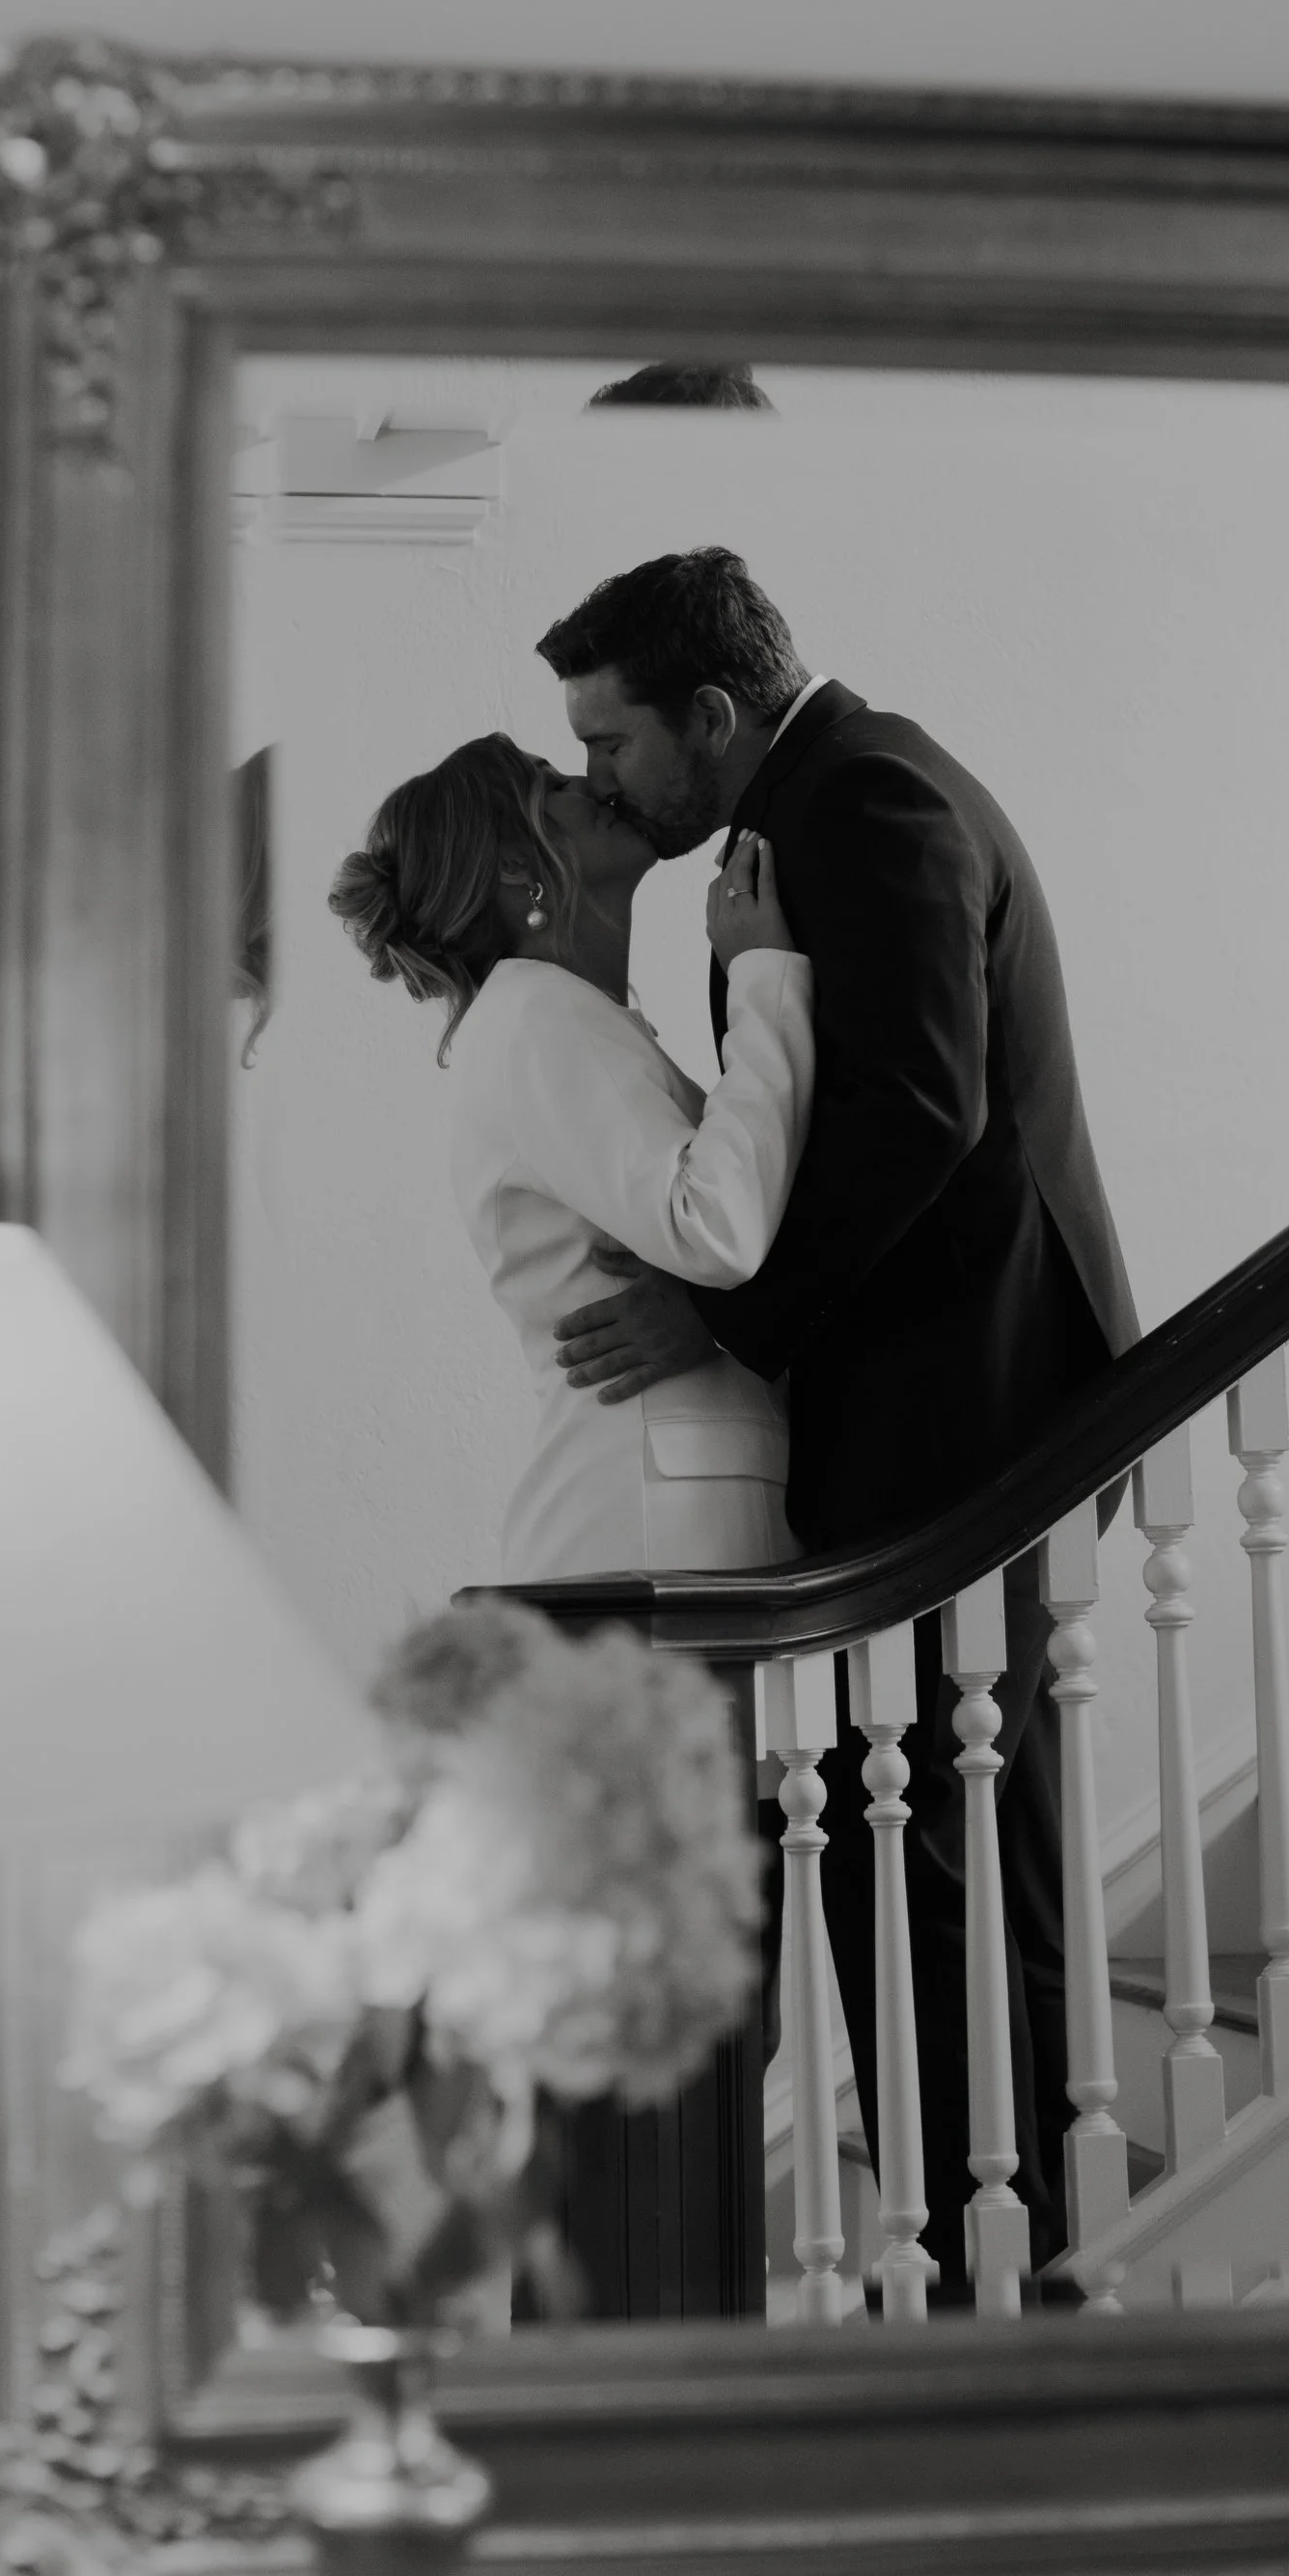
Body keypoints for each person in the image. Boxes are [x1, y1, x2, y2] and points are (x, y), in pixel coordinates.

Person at [535, 548, 1139, 2281]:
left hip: (968, 1409)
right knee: (937, 1844)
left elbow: (921, 1110)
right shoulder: (826, 793)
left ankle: (1000, 2269)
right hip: (951, 1403)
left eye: (610, 742)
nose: (596, 780)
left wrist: (723, 1307)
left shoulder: (865, 798)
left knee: (943, 1860)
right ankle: (998, 2254)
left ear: (710, 715)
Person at [328, 732, 813, 1591]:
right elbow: (717, 1228)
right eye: (552, 785)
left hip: (672, 1518)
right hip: (652, 1528)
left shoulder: (569, 1023)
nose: (593, 783)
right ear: (522, 867)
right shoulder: (538, 1019)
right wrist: (764, 983)